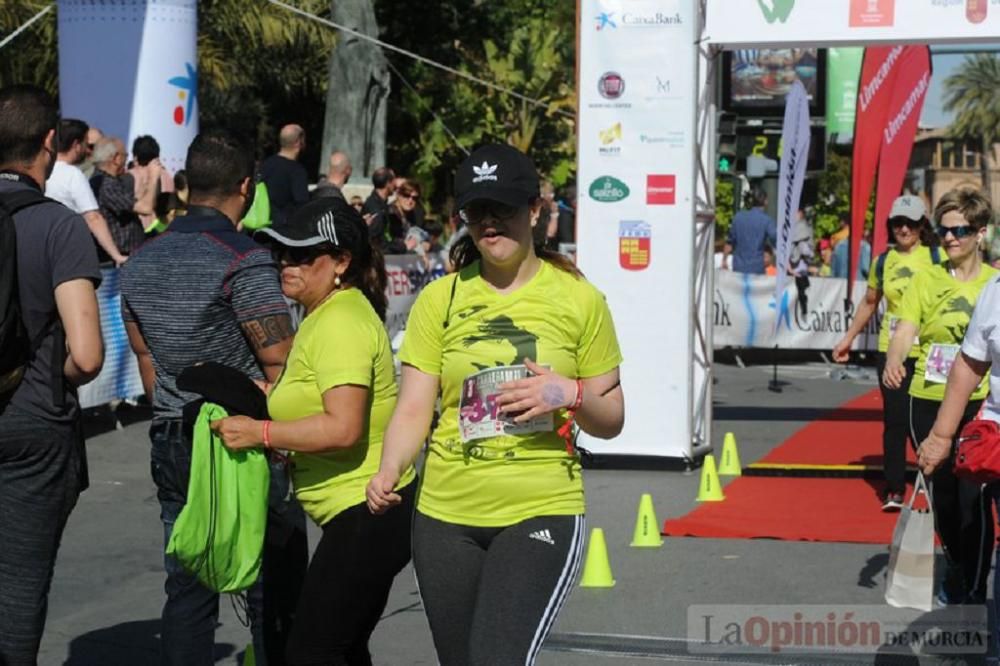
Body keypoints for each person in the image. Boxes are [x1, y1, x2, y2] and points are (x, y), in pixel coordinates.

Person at [366, 144, 625, 666]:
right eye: (477, 211)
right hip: (444, 516)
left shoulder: (579, 299)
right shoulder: (440, 300)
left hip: (539, 507)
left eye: (503, 208)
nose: (490, 222)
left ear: (534, 211)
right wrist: (389, 467)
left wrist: (568, 394)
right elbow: (415, 407)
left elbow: (612, 418)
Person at [119, 129, 298, 665]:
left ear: (184, 185)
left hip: (173, 432)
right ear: (245, 186)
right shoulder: (244, 258)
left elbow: (148, 362)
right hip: (244, 438)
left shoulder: (141, 262)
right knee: (270, 580)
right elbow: (279, 361)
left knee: (189, 583)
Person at [212, 197, 416, 665]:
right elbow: (316, 400)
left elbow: (343, 427)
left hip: (365, 513)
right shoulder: (324, 313)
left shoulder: (340, 320)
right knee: (341, 651)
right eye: (281, 252)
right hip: (361, 514)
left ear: (341, 261)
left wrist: (261, 433)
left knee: (310, 654)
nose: (287, 263)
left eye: (303, 255)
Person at [0, 84, 104, 666]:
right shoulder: (59, 227)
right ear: (48, 143)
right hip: (35, 422)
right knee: (18, 591)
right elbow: (86, 356)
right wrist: (56, 372)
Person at [883, 188, 996, 604]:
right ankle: (957, 559)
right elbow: (905, 329)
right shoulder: (925, 279)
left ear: (980, 233)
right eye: (944, 231)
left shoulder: (993, 284)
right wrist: (895, 359)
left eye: (960, 231)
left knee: (973, 495)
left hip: (978, 402)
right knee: (943, 496)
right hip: (927, 397)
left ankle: (975, 583)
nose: (949, 239)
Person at [833, 195, 940, 511]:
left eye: (910, 223)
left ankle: (932, 482)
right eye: (897, 223)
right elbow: (869, 302)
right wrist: (848, 339)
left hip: (928, 352)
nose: (903, 229)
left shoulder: (937, 257)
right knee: (894, 420)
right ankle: (894, 488)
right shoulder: (883, 261)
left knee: (923, 420)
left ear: (922, 225)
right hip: (890, 351)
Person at [45, 118, 127, 265]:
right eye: (86, 143)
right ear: (76, 145)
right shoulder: (72, 174)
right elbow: (93, 218)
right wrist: (116, 255)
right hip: (67, 252)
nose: (89, 150)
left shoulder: (43, 170)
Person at [90, 135, 160, 258]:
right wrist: (153, 177)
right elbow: (146, 208)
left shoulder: (109, 181)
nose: (126, 161)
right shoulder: (107, 185)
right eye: (125, 156)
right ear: (116, 158)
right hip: (119, 258)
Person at [260, 124, 309, 224]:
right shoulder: (297, 171)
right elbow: (302, 205)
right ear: (298, 142)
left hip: (259, 224)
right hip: (283, 229)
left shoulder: (266, 164)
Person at [721, 188, 776, 274]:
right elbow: (775, 239)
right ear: (765, 201)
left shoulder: (738, 217)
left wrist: (724, 260)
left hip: (739, 267)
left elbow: (729, 243)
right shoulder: (767, 220)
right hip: (757, 267)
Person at [129, 135, 175, 231]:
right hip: (161, 230)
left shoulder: (130, 176)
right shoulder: (167, 176)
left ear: (135, 157)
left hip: (136, 234)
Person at [362, 166, 395, 244]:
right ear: (388, 184)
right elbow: (377, 241)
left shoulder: (381, 204)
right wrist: (403, 246)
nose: (395, 185)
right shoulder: (376, 210)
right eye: (393, 181)